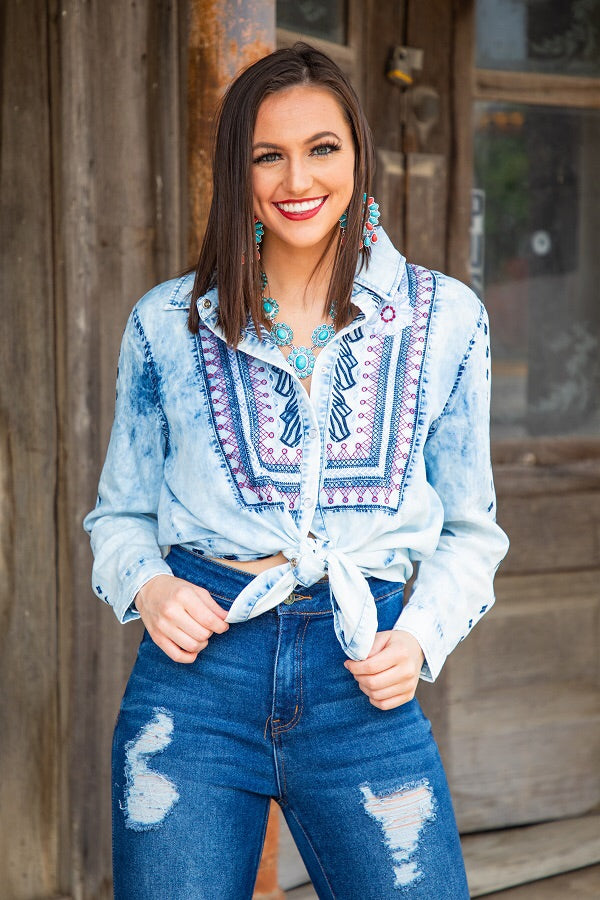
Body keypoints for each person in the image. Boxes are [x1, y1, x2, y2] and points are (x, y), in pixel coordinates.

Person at [84, 42, 508, 900]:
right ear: (236, 173)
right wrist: (151, 589)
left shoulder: (448, 319)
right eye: (266, 155)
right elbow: (118, 515)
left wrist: (421, 636)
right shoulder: (167, 323)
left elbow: (472, 529)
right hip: (197, 689)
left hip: (364, 683)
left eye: (322, 148)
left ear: (359, 156)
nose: (295, 179)